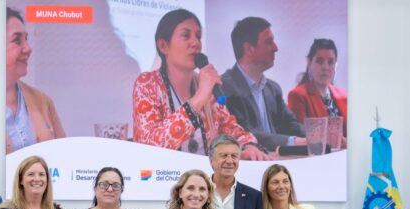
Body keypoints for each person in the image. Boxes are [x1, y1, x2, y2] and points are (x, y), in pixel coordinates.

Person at [132, 8, 269, 160]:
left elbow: (233, 130)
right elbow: (149, 147)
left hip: (205, 174)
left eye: (198, 36)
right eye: (186, 35)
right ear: (163, 46)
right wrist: (198, 99)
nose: (196, 43)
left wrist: (248, 146)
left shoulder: (206, 86)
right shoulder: (147, 84)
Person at [221, 17, 305, 152]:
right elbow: (245, 133)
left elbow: (291, 125)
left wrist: (320, 136)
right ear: (249, 49)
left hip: (276, 160)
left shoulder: (273, 89)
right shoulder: (224, 87)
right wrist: (294, 141)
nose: (276, 48)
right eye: (268, 42)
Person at [6, 7, 65, 154]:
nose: (28, 48)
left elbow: (65, 156)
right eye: (17, 40)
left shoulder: (43, 101)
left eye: (26, 39)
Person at [287, 38, 348, 136]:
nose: (325, 67)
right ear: (309, 62)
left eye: (330, 62)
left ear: (336, 65)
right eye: (319, 61)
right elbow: (302, 136)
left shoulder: (343, 96)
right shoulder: (297, 96)